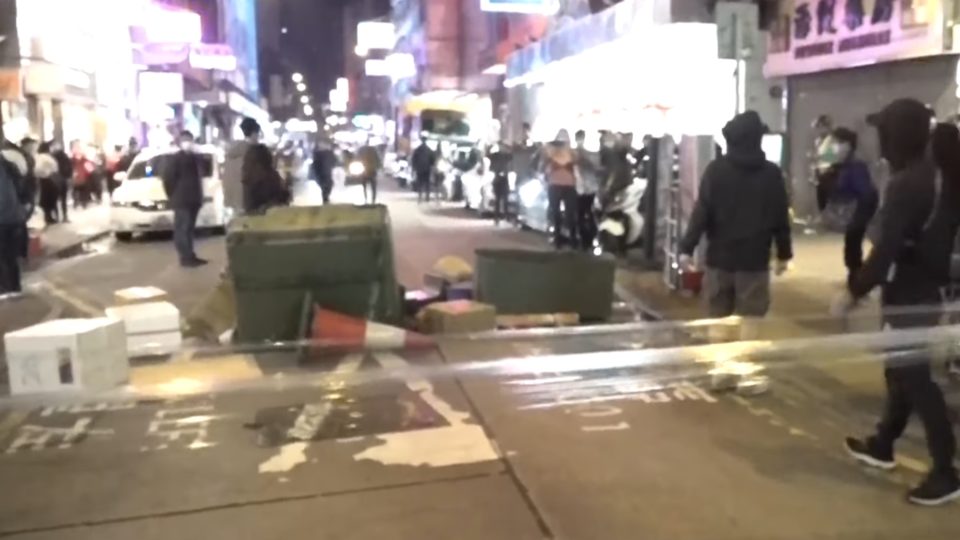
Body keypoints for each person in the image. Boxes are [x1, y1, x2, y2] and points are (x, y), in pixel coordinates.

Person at [836, 100, 960, 506]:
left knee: (916, 379)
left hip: (912, 293)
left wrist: (853, 292)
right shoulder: (936, 175)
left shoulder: (910, 183)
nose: (879, 141)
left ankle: (946, 469)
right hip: (925, 286)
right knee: (901, 371)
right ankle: (884, 443)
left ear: (897, 135)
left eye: (883, 133)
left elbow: (885, 250)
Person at [679, 110, 792, 318]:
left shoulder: (715, 170)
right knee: (751, 319)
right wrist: (784, 254)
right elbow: (780, 217)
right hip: (754, 261)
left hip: (719, 261)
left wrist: (687, 248)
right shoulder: (771, 174)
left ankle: (721, 349)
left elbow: (701, 212)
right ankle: (748, 352)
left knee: (717, 319)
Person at [823, 127, 880, 285]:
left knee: (853, 248)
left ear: (847, 145)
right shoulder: (840, 165)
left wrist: (860, 217)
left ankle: (858, 279)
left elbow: (865, 192)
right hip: (854, 215)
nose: (833, 148)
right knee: (852, 246)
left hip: (857, 214)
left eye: (837, 143)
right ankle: (857, 277)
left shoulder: (855, 166)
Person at [162, 131, 207, 268]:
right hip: (181, 200)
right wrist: (173, 195)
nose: (188, 142)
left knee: (189, 229)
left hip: (194, 199)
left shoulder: (195, 158)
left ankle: (190, 255)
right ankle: (185, 257)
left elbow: (201, 175)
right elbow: (168, 180)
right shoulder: (175, 159)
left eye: (189, 139)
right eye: (185, 139)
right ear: (180, 142)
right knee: (183, 229)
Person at [542, 129, 579, 249]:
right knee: (568, 214)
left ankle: (560, 240)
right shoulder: (571, 153)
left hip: (557, 185)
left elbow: (544, 166)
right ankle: (571, 240)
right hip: (566, 185)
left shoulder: (552, 152)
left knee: (559, 213)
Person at [0, 151, 27, 294]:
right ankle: (15, 287)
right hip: (15, 218)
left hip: (4, 218)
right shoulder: (10, 165)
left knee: (3, 255)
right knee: (11, 255)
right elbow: (23, 190)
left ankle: (5, 288)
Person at [225, 117, 261, 216]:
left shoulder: (232, 152)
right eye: (257, 134)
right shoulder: (253, 152)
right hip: (249, 199)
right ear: (254, 133)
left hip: (236, 200)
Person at [243, 143, 291, 214]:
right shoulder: (250, 181)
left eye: (248, 162)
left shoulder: (270, 182)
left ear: (259, 166)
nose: (244, 167)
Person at [574, 130, 601, 250]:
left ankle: (589, 238)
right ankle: (586, 239)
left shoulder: (585, 154)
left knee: (587, 213)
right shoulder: (576, 154)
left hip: (586, 188)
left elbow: (594, 168)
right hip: (582, 188)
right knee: (584, 214)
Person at [34, 142, 61, 226]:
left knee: (42, 199)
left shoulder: (36, 157)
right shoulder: (47, 158)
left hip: (37, 180)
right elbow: (55, 168)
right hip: (47, 179)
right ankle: (49, 216)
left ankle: (46, 216)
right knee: (51, 198)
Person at [488, 142, 512, 225]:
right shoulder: (495, 155)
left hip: (504, 178)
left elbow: (511, 154)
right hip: (497, 178)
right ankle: (497, 217)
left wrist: (508, 146)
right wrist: (490, 146)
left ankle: (505, 216)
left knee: (505, 199)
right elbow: (488, 155)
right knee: (498, 199)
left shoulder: (506, 156)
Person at [50, 140, 73, 222]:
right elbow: (69, 166)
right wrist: (68, 176)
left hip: (56, 179)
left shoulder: (52, 156)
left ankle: (57, 216)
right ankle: (64, 216)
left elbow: (69, 166)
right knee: (63, 198)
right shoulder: (63, 155)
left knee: (56, 198)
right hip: (62, 178)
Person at [311, 139, 337, 204]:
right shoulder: (317, 153)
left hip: (326, 171)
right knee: (325, 184)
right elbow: (315, 163)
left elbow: (334, 160)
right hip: (321, 172)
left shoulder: (329, 152)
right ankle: (325, 197)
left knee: (328, 184)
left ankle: (326, 196)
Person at [411, 137, 437, 204]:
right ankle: (427, 197)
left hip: (419, 169)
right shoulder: (429, 150)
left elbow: (413, 160)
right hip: (427, 169)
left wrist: (414, 168)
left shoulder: (418, 149)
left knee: (420, 183)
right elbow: (433, 160)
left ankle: (420, 197)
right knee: (427, 184)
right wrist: (432, 167)